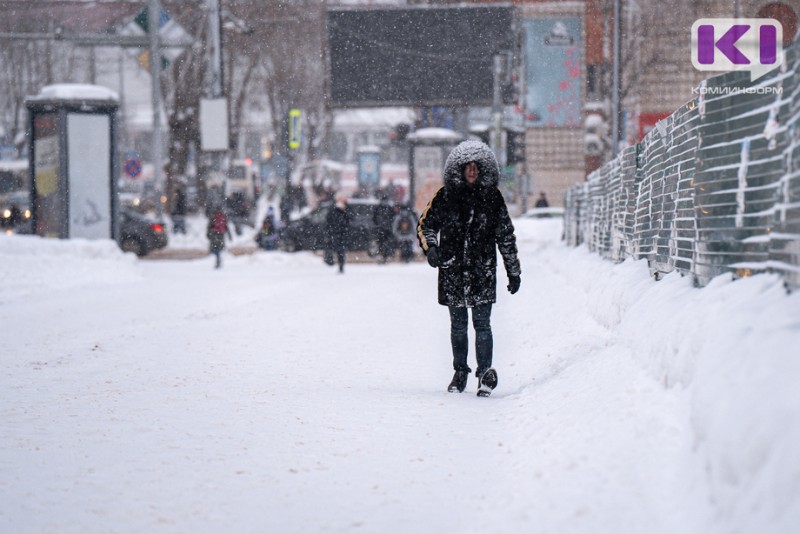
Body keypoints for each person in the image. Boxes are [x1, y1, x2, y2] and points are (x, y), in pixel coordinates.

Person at [417, 140, 521, 397]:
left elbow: (505, 236)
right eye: (468, 167)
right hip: (453, 271)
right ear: (460, 169)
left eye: (476, 167)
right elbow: (426, 225)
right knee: (458, 325)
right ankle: (460, 371)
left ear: (483, 170)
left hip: (481, 272)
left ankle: (485, 373)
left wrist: (513, 271)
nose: (472, 171)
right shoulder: (445, 196)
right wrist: (431, 248)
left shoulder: (493, 198)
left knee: (483, 324)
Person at [326, 196, 350, 274]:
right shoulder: (335, 212)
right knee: (339, 251)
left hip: (339, 235)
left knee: (339, 251)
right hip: (337, 235)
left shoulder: (344, 212)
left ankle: (340, 266)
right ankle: (336, 264)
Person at [373, 195, 396, 263]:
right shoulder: (389, 208)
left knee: (381, 242)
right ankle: (386, 255)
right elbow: (393, 217)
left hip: (380, 229)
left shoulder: (378, 207)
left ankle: (382, 255)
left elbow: (374, 218)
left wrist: (378, 224)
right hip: (388, 229)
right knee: (387, 242)